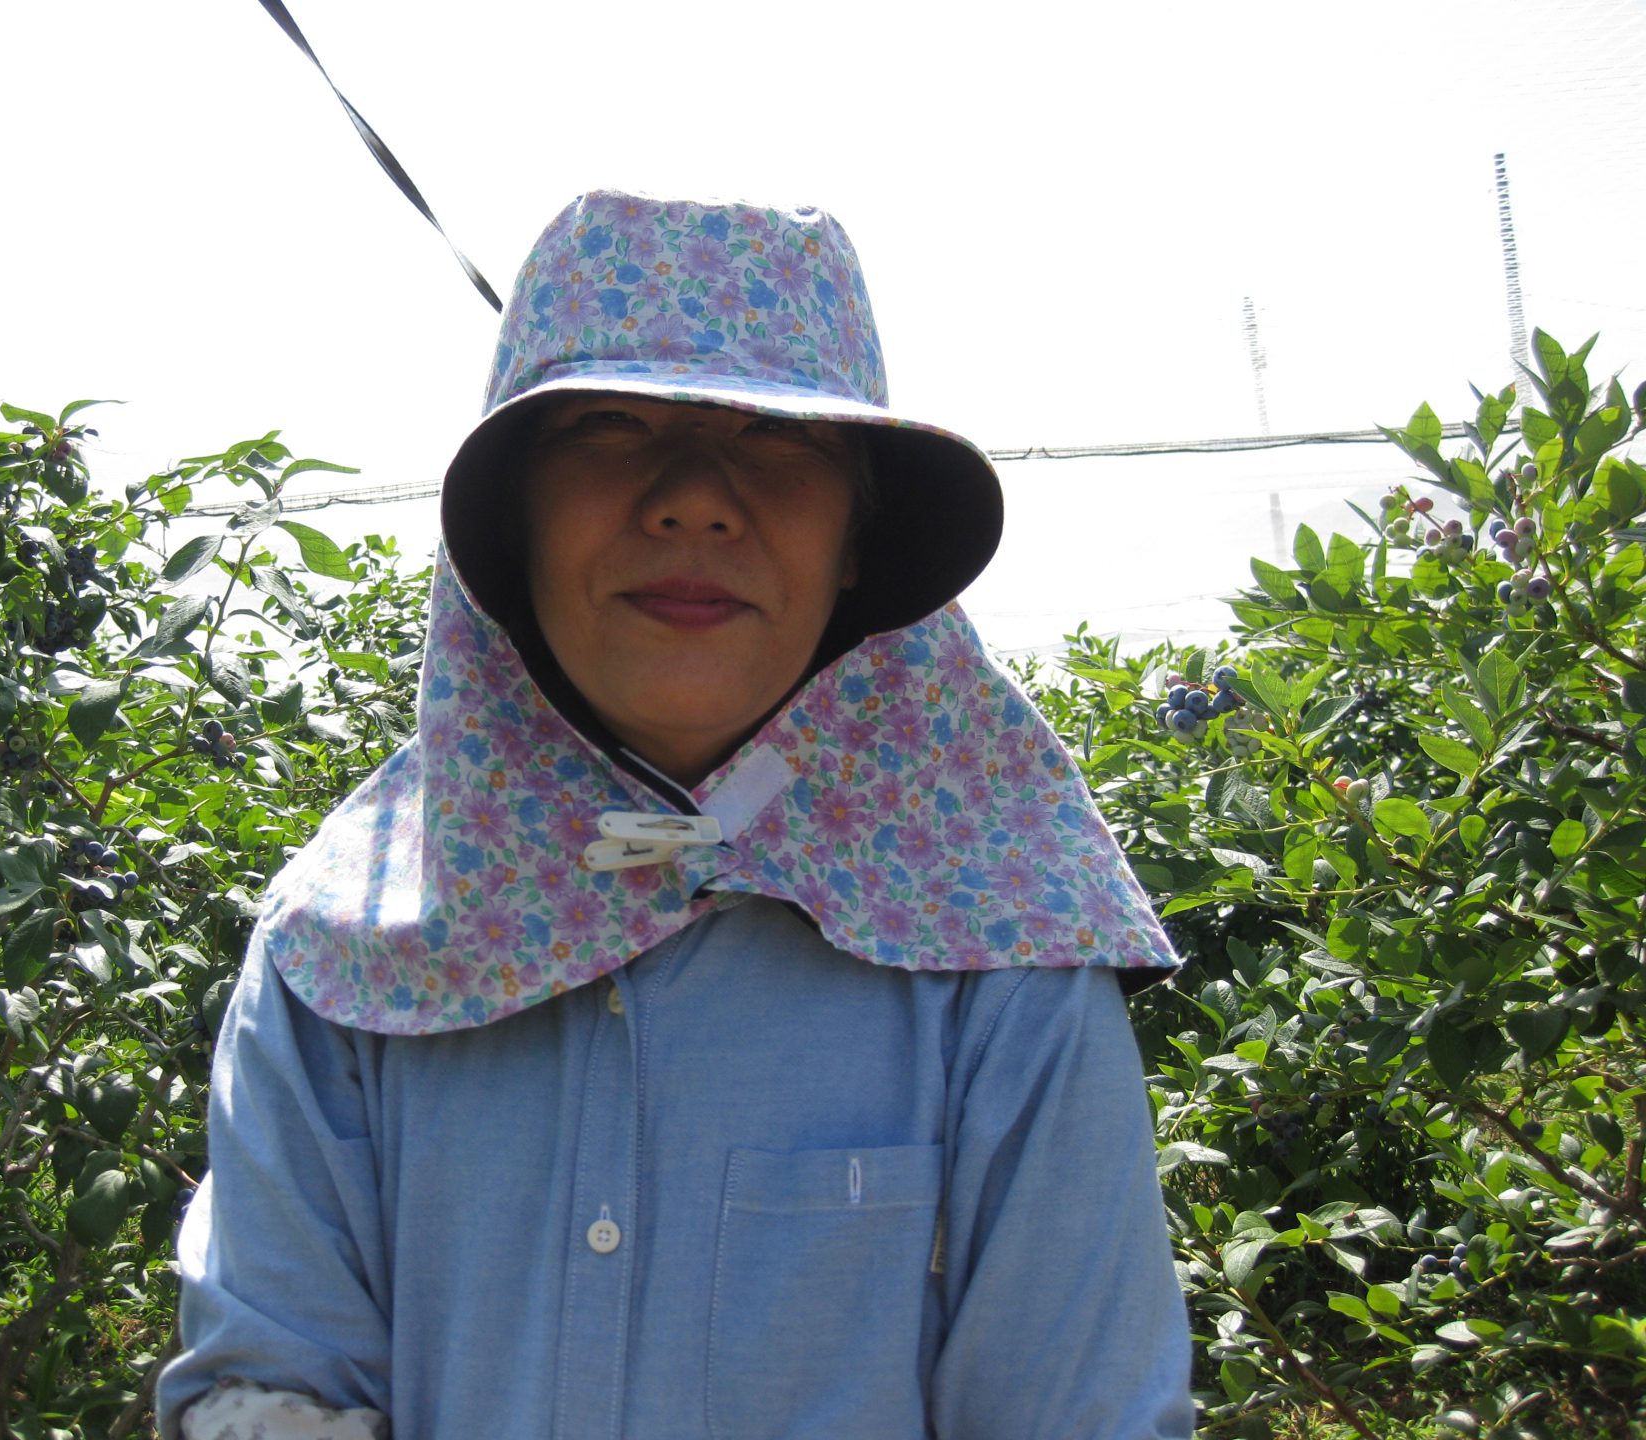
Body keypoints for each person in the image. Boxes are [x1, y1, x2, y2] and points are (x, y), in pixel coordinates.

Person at [157, 190, 1195, 1439]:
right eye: (611, 426)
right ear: (513, 517)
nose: (696, 500)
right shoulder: (351, 948)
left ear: (857, 541)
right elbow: (271, 1386)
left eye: (779, 439)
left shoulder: (999, 950)